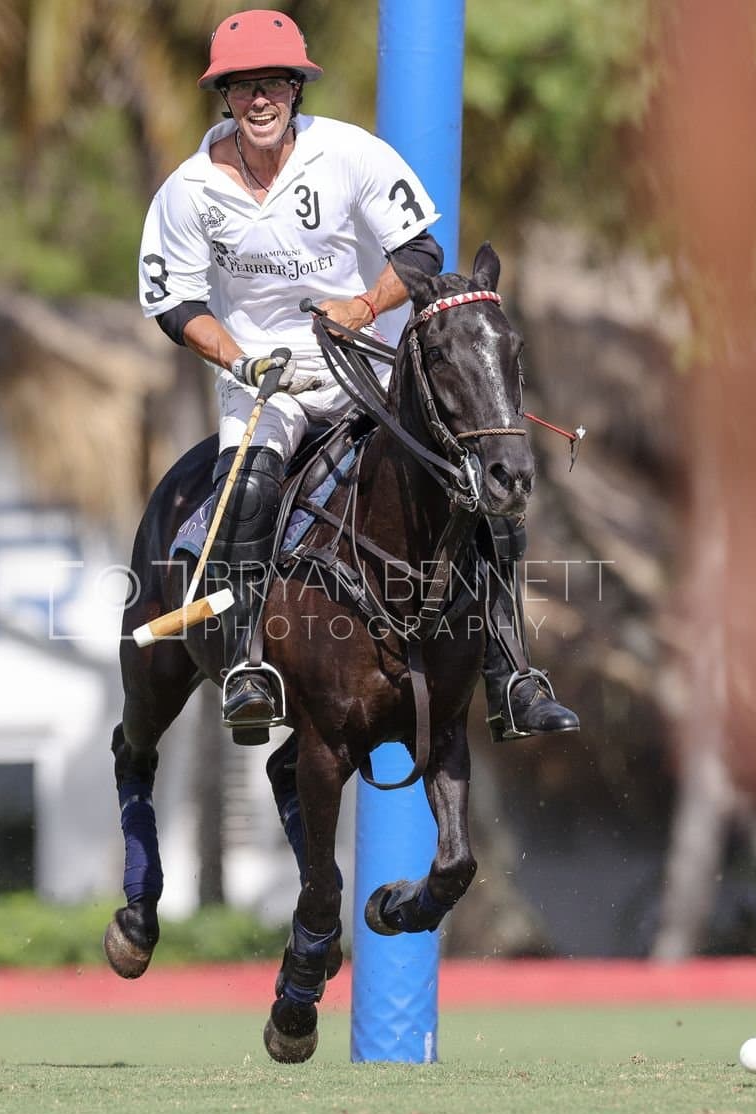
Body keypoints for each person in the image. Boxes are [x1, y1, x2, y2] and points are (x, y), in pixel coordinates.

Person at [138, 8, 578, 741]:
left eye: (273, 82)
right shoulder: (187, 190)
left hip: (366, 369)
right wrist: (240, 358)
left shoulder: (350, 154)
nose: (259, 99)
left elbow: (422, 253)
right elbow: (174, 302)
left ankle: (513, 676)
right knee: (246, 494)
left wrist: (365, 304)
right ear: (223, 96)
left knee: (478, 492)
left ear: (295, 88)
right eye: (243, 86)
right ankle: (251, 668)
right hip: (263, 383)